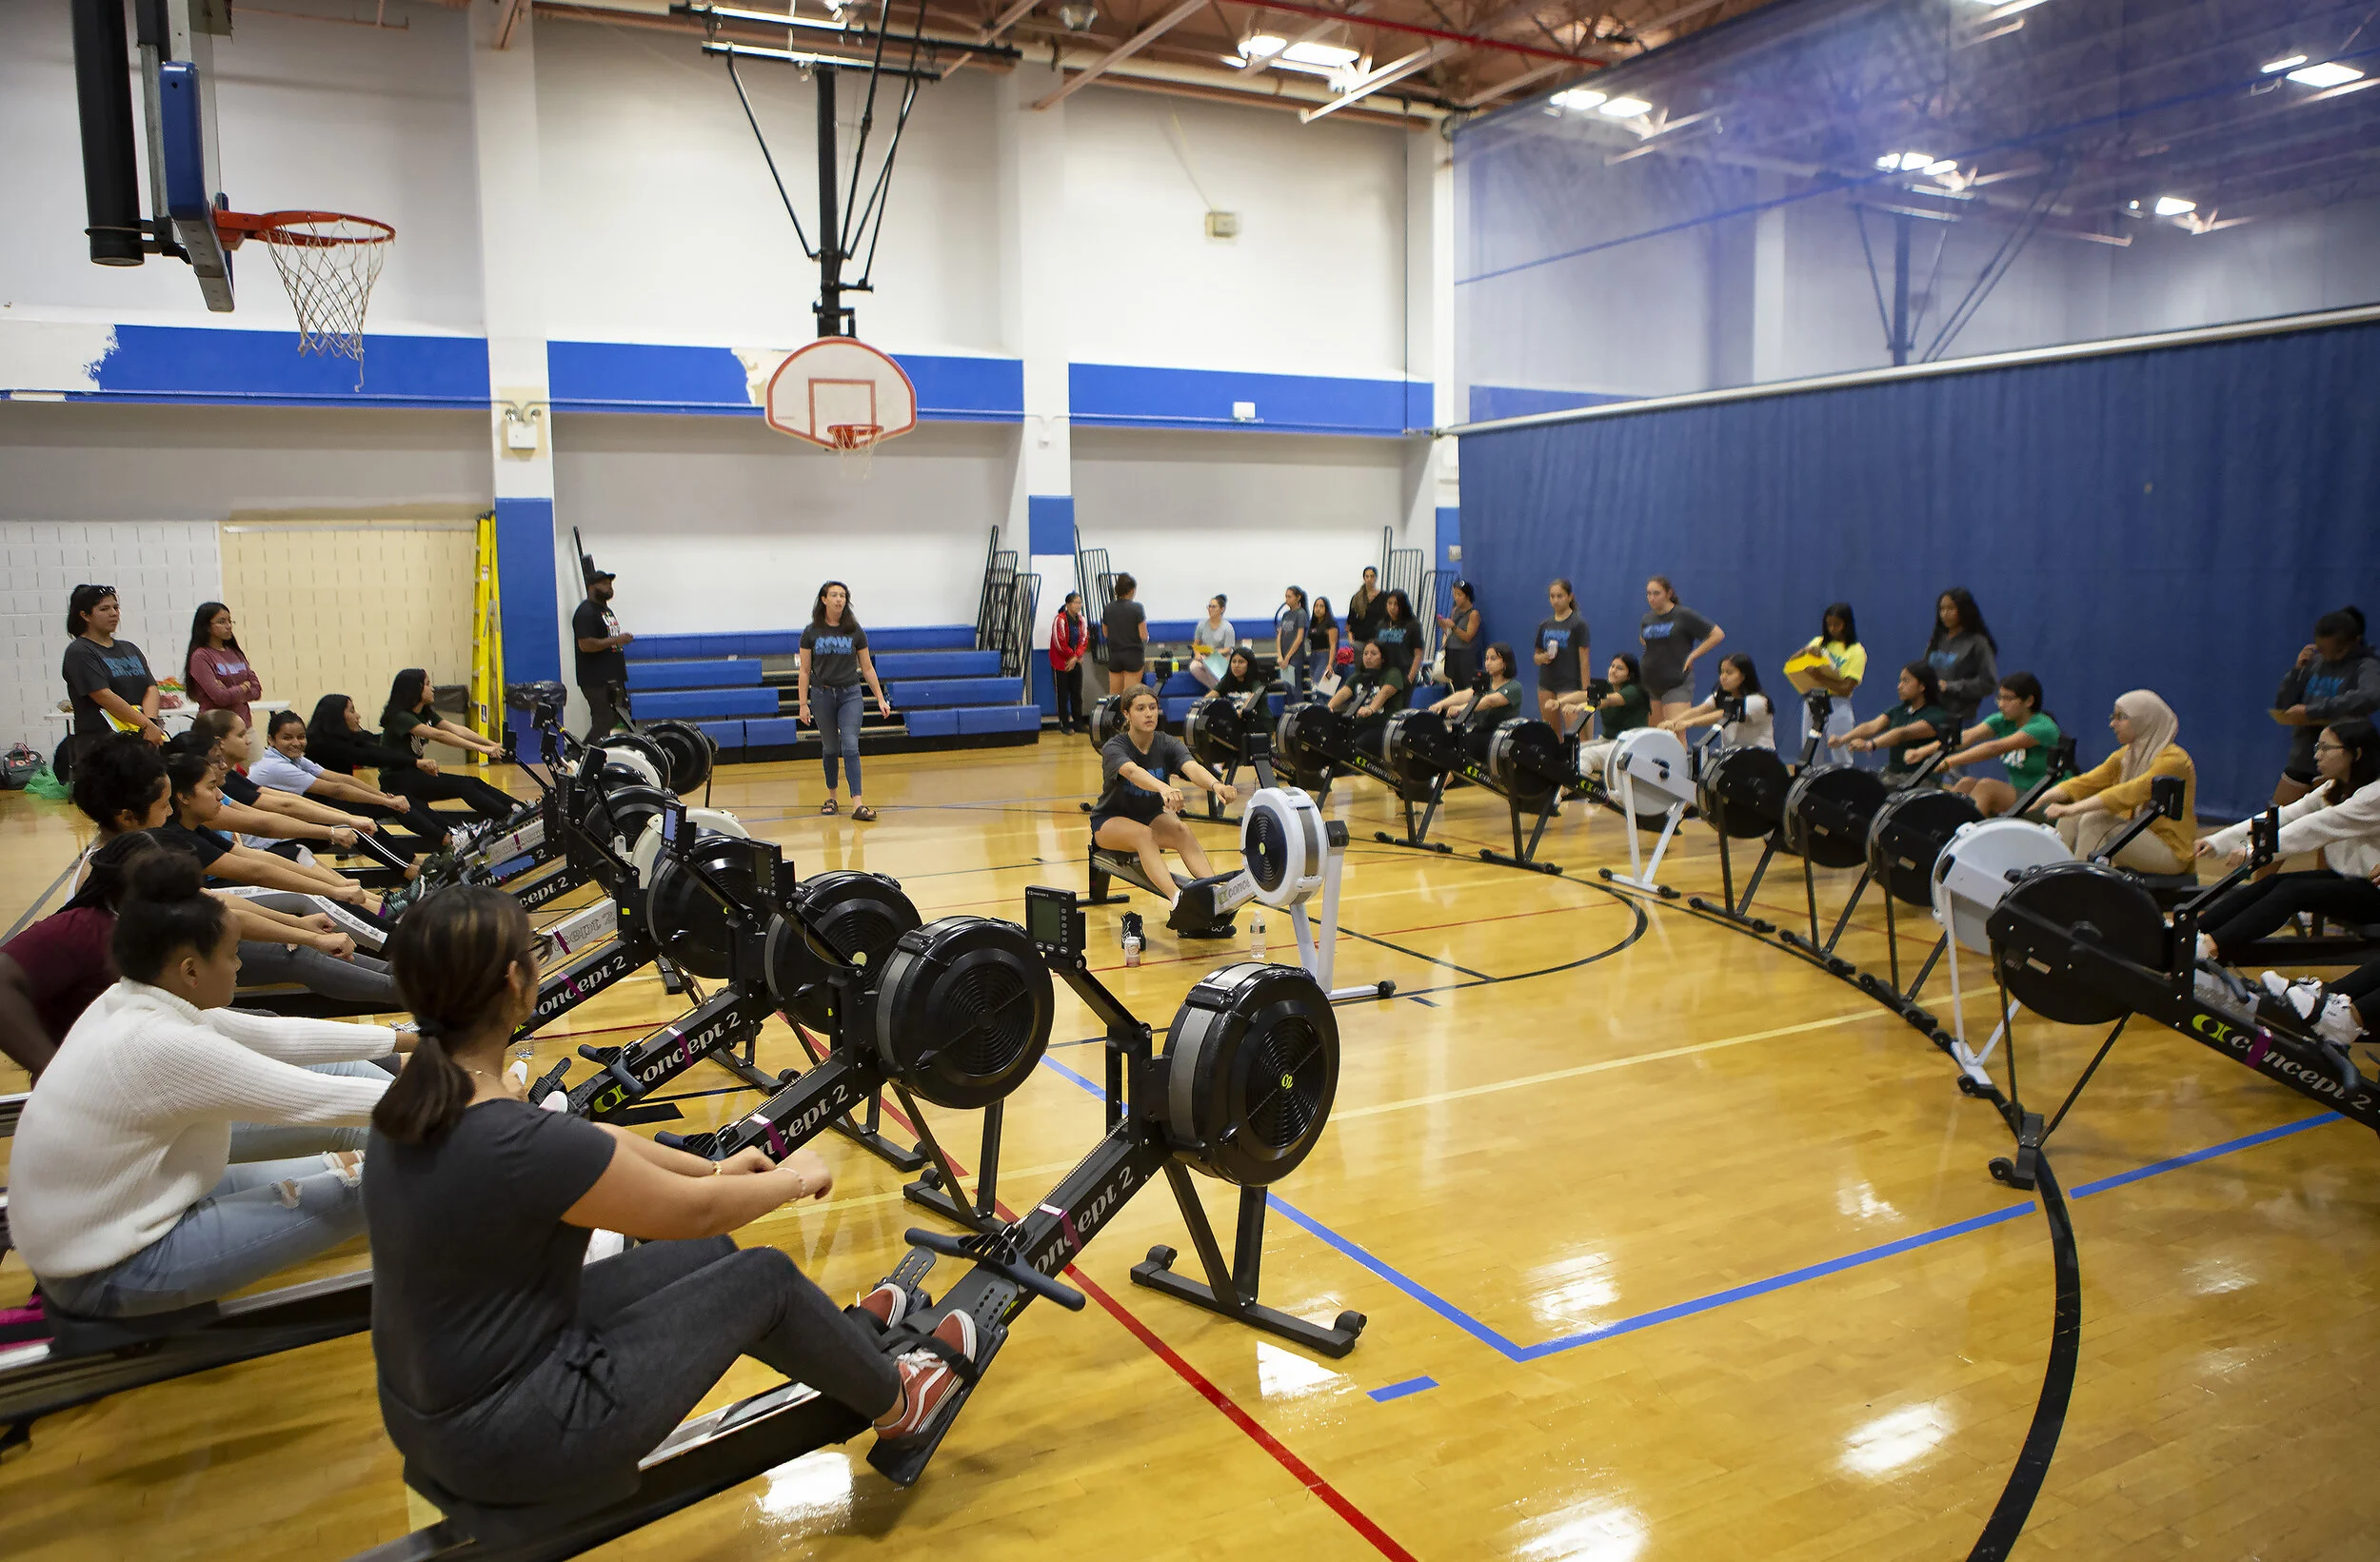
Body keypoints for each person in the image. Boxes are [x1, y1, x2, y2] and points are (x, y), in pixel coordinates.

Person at [362, 888, 970, 1527]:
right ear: (515, 980)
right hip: (511, 1437)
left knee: (706, 1259)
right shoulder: (516, 1140)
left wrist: (716, 1166)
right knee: (763, 1277)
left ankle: (844, 1346)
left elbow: (601, 1145)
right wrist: (791, 1179)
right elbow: (696, 1211)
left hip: (447, 1410)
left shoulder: (419, 1098)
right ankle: (903, 1404)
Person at [10, 848, 402, 1318]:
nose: (239, 966)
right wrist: (469, 1099)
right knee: (386, 1175)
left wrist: (407, 1039)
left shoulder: (129, 998)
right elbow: (315, 1101)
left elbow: (277, 1035)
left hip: (136, 1205)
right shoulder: (161, 1045)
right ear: (190, 971)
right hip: (110, 1271)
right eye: (232, 956)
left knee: (358, 1159)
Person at [67, 736, 394, 1005]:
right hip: (155, 982)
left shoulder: (136, 847)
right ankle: (409, 989)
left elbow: (213, 899)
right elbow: (224, 907)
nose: (170, 813)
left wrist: (298, 924)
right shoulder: (136, 860)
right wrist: (304, 934)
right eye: (164, 805)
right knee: (298, 955)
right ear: (127, 816)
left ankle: (397, 972)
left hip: (174, 955)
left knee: (301, 934)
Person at [2194, 720, 2380, 981]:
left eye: (2326, 748)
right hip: (2350, 881)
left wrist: (2255, 850)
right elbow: (2286, 816)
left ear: (2356, 753)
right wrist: (2218, 842)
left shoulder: (2375, 795)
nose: (2317, 755)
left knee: (2294, 891)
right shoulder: (2334, 787)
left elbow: (2316, 827)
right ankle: (2193, 931)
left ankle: (2210, 946)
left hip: (2374, 892)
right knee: (2273, 883)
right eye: (2317, 746)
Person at [1091, 687, 1239, 896]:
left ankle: (1215, 893)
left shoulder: (1166, 743)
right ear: (1126, 714)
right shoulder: (1114, 747)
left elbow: (1191, 767)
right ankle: (1176, 898)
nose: (1149, 713)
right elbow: (1132, 772)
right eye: (1140, 709)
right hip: (1109, 821)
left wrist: (1217, 786)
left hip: (1149, 816)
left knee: (1182, 831)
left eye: (1152, 708)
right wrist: (1164, 788)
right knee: (1144, 835)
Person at [2039, 690, 2198, 873]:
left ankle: (2077, 887)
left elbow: (2129, 793)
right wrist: (2041, 799)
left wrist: (2073, 807)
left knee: (2095, 821)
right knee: (2072, 818)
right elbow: (2087, 782)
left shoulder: (2174, 760)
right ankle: (2050, 875)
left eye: (2121, 717)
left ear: (2143, 719)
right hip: (2138, 839)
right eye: (2113, 717)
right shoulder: (2125, 756)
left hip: (2170, 853)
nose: (2112, 724)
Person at [255, 709, 442, 855]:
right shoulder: (275, 766)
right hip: (272, 839)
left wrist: (384, 797)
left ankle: (447, 838)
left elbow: (341, 778)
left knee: (389, 806)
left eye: (300, 737)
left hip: (294, 825)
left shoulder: (294, 758)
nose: (296, 742)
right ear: (271, 740)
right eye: (287, 738)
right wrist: (385, 800)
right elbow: (336, 789)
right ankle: (415, 866)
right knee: (358, 826)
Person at [798, 581, 895, 822]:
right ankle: (832, 797)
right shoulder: (811, 632)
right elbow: (805, 671)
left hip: (850, 694)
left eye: (842, 595)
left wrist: (880, 698)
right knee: (830, 748)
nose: (839, 599)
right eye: (834, 595)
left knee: (850, 745)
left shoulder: (855, 631)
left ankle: (858, 804)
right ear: (824, 599)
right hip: (822, 695)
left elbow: (867, 667)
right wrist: (802, 703)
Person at [1908, 673, 2061, 818]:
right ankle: (1939, 830)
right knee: (1966, 784)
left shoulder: (2042, 727)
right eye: (1999, 698)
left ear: (2028, 701)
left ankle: (1965, 840)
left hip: (2046, 800)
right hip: (2021, 795)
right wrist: (1922, 751)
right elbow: (1965, 737)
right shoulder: (2003, 720)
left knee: (1987, 788)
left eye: (2008, 699)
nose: (2001, 704)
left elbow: (1993, 748)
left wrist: (1950, 761)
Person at [2271, 607, 2379, 805]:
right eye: (2322, 650)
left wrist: (2313, 711)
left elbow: (2370, 696)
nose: (2327, 657)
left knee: (2325, 817)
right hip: (2304, 752)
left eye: (2336, 652)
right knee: (2276, 814)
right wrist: (2297, 672)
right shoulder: (2314, 662)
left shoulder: (2367, 665)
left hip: (2339, 757)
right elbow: (2283, 704)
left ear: (2354, 643)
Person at [381, 670, 520, 823]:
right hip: (397, 781)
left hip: (414, 774)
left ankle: (518, 808)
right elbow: (439, 735)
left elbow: (456, 730)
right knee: (464, 786)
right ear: (415, 689)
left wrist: (492, 744)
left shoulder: (424, 713)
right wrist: (481, 749)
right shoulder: (400, 717)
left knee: (475, 782)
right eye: (427, 684)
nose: (432, 688)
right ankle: (507, 816)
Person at [62, 583, 165, 763]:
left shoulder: (129, 648)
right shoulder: (80, 651)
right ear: (85, 615)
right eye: (104, 609)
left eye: (116, 607)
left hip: (140, 739)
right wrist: (145, 725)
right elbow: (102, 695)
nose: (113, 613)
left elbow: (151, 687)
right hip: (103, 745)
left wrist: (151, 723)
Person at [1832, 662, 1954, 785]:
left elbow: (1902, 734)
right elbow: (1872, 726)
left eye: (1906, 681)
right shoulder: (1899, 710)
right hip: (1892, 774)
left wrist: (1870, 745)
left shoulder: (1937, 715)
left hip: (1920, 780)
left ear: (1922, 686)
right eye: (1900, 681)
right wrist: (1842, 739)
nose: (1899, 686)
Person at [1637, 576, 1723, 724]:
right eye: (1648, 594)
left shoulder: (1683, 615)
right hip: (1651, 682)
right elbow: (1646, 642)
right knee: (1654, 734)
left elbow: (1717, 634)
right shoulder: (1647, 619)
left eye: (1656, 593)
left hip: (1677, 681)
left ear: (1669, 593)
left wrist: (1692, 656)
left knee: (1675, 731)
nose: (1651, 598)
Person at [1785, 602, 1864, 752]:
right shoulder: (1818, 642)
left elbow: (1846, 688)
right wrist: (1805, 651)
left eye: (1837, 624)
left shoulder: (1856, 651)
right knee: (1810, 750)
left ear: (1847, 624)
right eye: (1829, 624)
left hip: (1837, 704)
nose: (1832, 629)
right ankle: (1811, 776)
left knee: (1841, 752)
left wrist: (1820, 677)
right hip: (1813, 701)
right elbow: (1791, 664)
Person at [1661, 653, 1775, 751]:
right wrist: (1673, 722)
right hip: (1732, 756)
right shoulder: (1719, 696)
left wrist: (1689, 723)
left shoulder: (1758, 701)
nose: (1723, 677)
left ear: (1743, 676)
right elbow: (1700, 710)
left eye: (1729, 673)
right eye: (1722, 672)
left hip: (1760, 757)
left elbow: (1724, 714)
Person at [1924, 588, 2000, 728]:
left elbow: (1989, 683)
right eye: (1942, 609)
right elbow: (1923, 671)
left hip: (1958, 719)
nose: (1945, 614)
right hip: (1927, 715)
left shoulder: (1978, 643)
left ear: (1964, 610)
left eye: (1951, 608)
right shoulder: (1936, 640)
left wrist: (1949, 686)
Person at [572, 570, 634, 741]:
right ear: (591, 586)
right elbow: (585, 645)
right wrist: (617, 639)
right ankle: (580, 756)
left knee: (614, 718)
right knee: (603, 720)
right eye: (604, 583)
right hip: (595, 679)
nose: (609, 587)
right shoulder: (585, 612)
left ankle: (601, 756)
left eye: (610, 584)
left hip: (613, 677)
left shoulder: (605, 611)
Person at [1571, 653, 1652, 782]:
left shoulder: (1633, 691)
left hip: (1628, 746)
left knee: (1587, 756)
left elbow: (1610, 700)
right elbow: (1582, 694)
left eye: (1619, 668)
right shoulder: (1607, 686)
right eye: (1612, 666)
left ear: (1629, 675)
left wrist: (1587, 705)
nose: (1613, 671)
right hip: (1607, 741)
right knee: (1571, 752)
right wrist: (1559, 702)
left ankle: (1567, 790)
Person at [185, 602, 265, 730]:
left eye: (230, 621)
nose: (228, 626)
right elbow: (221, 698)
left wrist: (229, 692)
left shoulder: (235, 652)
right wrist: (244, 686)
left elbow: (256, 690)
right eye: (222, 622)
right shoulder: (201, 656)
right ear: (206, 626)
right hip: (216, 728)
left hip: (244, 725)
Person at [1327, 640, 1410, 758]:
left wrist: (1370, 709)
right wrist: (1329, 706)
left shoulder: (1393, 673)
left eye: (1373, 654)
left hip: (1383, 727)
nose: (1368, 657)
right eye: (1365, 654)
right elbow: (1345, 692)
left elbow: (1385, 692)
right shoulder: (1358, 675)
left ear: (1383, 658)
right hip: (1359, 725)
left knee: (1359, 747)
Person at [1534, 580, 1591, 733]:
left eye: (1560, 596)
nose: (1555, 600)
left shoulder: (1578, 624)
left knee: (1575, 733)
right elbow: (1536, 656)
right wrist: (1542, 657)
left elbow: (1584, 660)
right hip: (1546, 683)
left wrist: (1586, 693)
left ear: (1570, 597)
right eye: (1552, 596)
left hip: (1570, 684)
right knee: (1550, 733)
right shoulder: (1545, 625)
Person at [1430, 643, 1523, 729]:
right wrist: (1440, 704)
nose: (1488, 663)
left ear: (1505, 663)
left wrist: (1461, 708)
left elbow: (1489, 701)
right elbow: (1465, 694)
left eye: (1493, 659)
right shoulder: (1485, 682)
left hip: (1501, 734)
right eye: (1486, 659)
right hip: (1480, 730)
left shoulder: (1514, 687)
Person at [1049, 591, 1090, 735]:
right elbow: (1059, 643)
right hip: (1061, 662)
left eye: (1080, 602)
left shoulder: (1082, 620)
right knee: (1063, 693)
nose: (1078, 605)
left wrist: (1076, 657)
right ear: (1068, 604)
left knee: (1076, 693)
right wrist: (1073, 657)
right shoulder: (1059, 620)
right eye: (1076, 602)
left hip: (1076, 662)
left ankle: (1078, 722)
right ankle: (1064, 723)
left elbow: (1084, 640)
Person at [1101, 574, 1147, 698]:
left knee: (1114, 697)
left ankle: (1113, 717)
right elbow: (1143, 635)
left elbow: (1105, 633)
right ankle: (1127, 718)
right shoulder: (1137, 608)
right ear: (1132, 590)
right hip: (1133, 656)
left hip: (1115, 655)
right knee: (1129, 697)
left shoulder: (1108, 608)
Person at [1436, 581, 1482, 690]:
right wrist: (1444, 625)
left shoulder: (1473, 614)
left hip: (1465, 655)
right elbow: (1450, 632)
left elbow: (1468, 637)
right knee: (1454, 685)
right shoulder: (1455, 610)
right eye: (1454, 594)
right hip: (1452, 652)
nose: (1456, 598)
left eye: (1459, 595)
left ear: (1467, 596)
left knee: (1466, 687)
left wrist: (1454, 627)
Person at [1373, 590, 1423, 684]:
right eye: (1389, 603)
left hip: (1403, 673)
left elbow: (1418, 653)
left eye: (1396, 604)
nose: (1392, 607)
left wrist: (1410, 678)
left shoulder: (1413, 625)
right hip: (1384, 673)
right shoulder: (1382, 624)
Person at [1189, 597, 1238, 691]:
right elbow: (1196, 644)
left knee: (1209, 664)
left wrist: (1214, 653)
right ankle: (1216, 689)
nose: (1210, 609)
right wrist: (1197, 654)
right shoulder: (1202, 625)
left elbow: (1228, 649)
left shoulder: (1228, 627)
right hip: (1205, 656)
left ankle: (1219, 690)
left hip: (1222, 657)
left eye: (1214, 607)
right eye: (1209, 607)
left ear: (1222, 609)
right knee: (1194, 667)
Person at [1276, 587, 1310, 701]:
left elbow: (1299, 638)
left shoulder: (1301, 613)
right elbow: (1279, 635)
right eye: (1286, 596)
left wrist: (1288, 658)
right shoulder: (1286, 615)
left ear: (1298, 597)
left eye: (1289, 596)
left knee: (1295, 687)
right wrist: (1280, 656)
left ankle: (1299, 713)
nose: (1287, 599)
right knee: (1287, 688)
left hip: (1295, 657)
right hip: (1284, 657)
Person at [1307, 596, 1340, 690]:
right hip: (1314, 656)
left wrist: (1330, 664)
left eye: (1321, 606)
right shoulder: (1313, 623)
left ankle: (1322, 704)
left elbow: (1333, 645)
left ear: (1326, 608)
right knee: (1313, 684)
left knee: (1321, 686)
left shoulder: (1331, 624)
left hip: (1325, 656)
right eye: (1316, 606)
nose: (1318, 609)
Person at [1347, 567, 1383, 651]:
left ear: (1376, 578)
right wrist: (1351, 640)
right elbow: (1350, 621)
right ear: (1364, 578)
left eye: (1372, 576)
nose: (1369, 579)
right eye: (1367, 576)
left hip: (1376, 640)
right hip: (1359, 640)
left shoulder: (1383, 597)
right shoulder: (1356, 598)